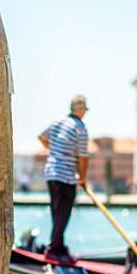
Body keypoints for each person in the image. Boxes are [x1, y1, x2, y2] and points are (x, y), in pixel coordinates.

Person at [38, 94, 90, 263]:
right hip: (66, 176)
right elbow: (83, 157)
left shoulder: (58, 121)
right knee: (63, 214)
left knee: (56, 211)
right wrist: (82, 179)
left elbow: (42, 137)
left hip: (51, 174)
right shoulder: (80, 129)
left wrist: (56, 150)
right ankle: (53, 249)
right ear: (81, 110)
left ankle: (59, 247)